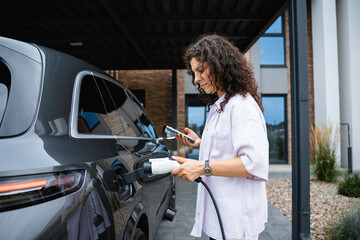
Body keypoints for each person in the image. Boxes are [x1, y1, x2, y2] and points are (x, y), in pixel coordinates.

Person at [171, 34, 269, 240]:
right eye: (194, 72)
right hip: (222, 217)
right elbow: (229, 145)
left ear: (219, 66)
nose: (196, 79)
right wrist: (201, 143)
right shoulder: (222, 104)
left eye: (200, 70)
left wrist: (201, 167)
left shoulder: (241, 106)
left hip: (235, 222)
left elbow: (253, 162)